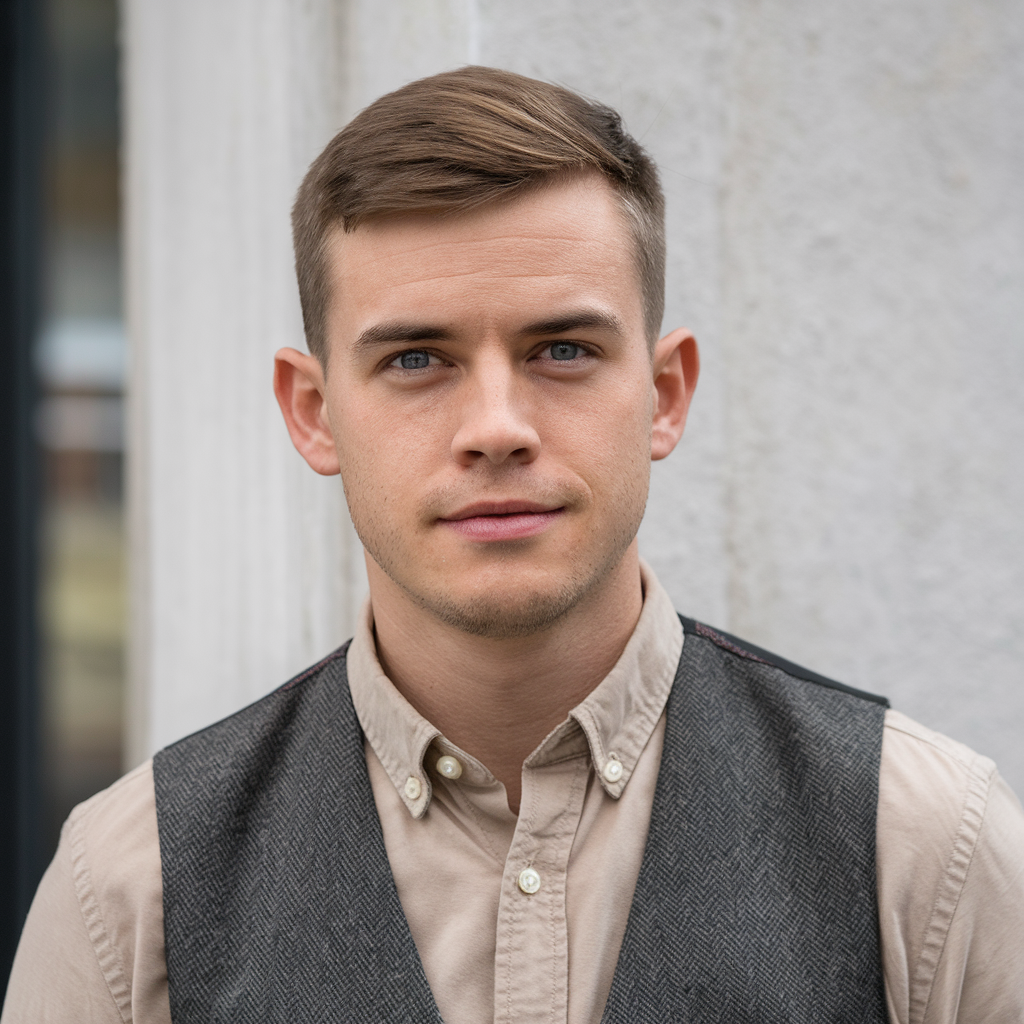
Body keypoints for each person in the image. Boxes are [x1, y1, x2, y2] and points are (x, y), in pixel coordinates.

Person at [4, 66, 1023, 1024]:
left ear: (664, 395)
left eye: (563, 349)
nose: (496, 424)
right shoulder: (131, 890)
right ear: (313, 412)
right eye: (416, 358)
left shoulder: (923, 842)